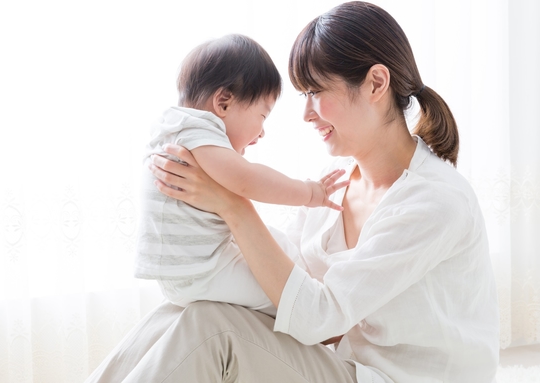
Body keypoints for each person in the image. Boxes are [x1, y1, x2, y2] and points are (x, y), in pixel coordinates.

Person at [87, 1, 499, 382]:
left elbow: (318, 318)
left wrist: (233, 204)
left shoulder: (434, 200)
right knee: (182, 310)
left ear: (376, 83)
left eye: (316, 92)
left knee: (213, 330)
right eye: (304, 95)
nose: (305, 113)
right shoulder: (335, 179)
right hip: (342, 363)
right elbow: (290, 284)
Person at [134, 33, 346, 315]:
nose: (261, 133)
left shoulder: (173, 127)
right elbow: (247, 180)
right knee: (285, 299)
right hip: (204, 270)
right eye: (262, 116)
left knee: (276, 242)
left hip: (189, 268)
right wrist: (309, 192)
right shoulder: (199, 130)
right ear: (223, 103)